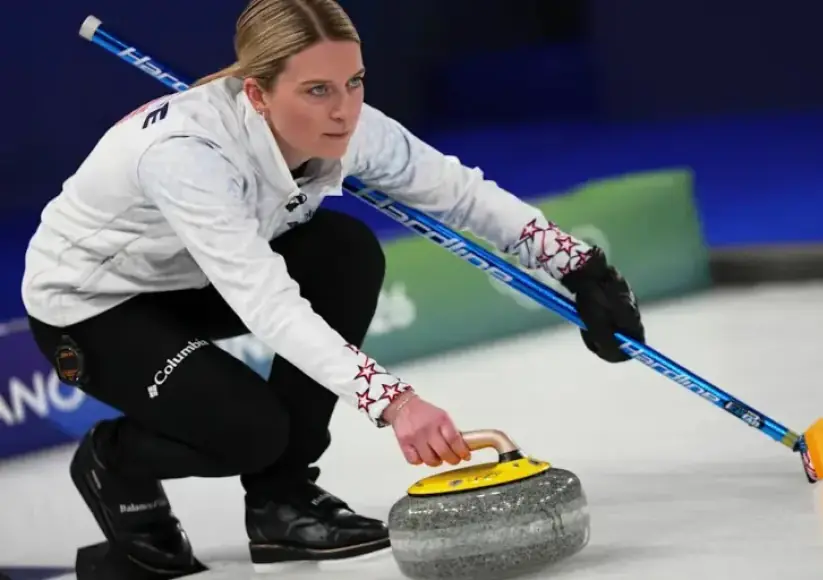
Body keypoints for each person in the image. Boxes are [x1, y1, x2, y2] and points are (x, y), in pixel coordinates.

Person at [21, 0, 645, 574]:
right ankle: (114, 458)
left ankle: (283, 502)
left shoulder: (347, 124)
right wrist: (395, 403)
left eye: (354, 81)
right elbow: (268, 303)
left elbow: (458, 192)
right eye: (317, 90)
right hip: (97, 305)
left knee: (344, 252)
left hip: (193, 276)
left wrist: (581, 267)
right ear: (258, 94)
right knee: (252, 432)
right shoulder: (188, 157)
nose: (344, 110)